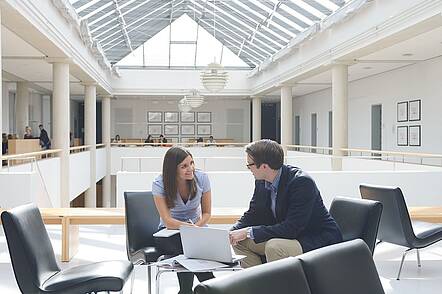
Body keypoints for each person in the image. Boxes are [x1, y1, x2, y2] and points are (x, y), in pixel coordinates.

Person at [229, 139, 342, 269]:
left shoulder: (301, 183)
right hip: (290, 237)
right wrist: (232, 232)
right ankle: (258, 284)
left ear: (264, 166)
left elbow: (292, 228)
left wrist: (249, 231)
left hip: (315, 239)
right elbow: (253, 213)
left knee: (275, 247)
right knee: (239, 241)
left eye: (250, 165)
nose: (249, 168)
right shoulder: (262, 180)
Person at [152, 146, 214, 294]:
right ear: (173, 169)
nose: (190, 168)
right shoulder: (159, 183)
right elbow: (167, 220)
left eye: (192, 163)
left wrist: (196, 228)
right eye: (184, 166)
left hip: (197, 228)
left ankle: (186, 291)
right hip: (170, 232)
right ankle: (211, 285)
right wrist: (189, 230)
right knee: (187, 247)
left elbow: (207, 213)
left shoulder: (202, 178)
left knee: (190, 247)